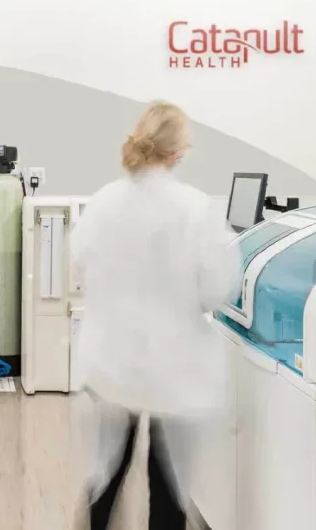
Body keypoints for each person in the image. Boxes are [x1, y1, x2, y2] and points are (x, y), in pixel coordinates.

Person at [70, 101, 240, 528]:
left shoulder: (104, 202)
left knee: (107, 469)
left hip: (110, 360)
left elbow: (78, 266)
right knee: (168, 478)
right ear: (178, 151)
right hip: (172, 366)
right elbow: (217, 288)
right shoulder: (196, 209)